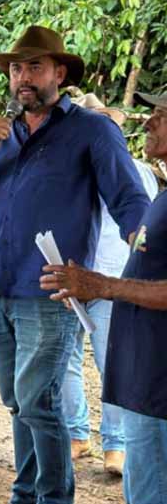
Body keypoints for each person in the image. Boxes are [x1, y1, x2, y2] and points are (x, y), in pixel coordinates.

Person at [0, 26, 150, 504]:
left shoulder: (91, 130)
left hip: (52, 290)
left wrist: (150, 256)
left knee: (38, 398)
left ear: (59, 73)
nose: (23, 77)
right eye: (17, 68)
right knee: (19, 401)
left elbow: (130, 202)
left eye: (35, 67)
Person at [41, 90, 167, 504]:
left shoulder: (146, 185)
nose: (147, 124)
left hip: (160, 386)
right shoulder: (163, 194)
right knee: (141, 500)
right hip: (145, 379)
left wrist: (104, 285)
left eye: (160, 115)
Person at [61, 93, 158, 475]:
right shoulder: (68, 170)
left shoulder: (140, 171)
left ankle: (115, 444)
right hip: (71, 275)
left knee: (112, 363)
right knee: (65, 361)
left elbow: (144, 231)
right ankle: (77, 433)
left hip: (113, 278)